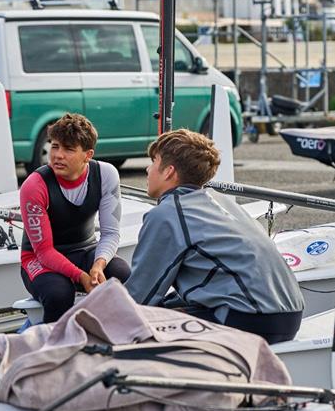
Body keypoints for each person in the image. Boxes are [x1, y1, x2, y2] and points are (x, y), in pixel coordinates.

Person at [125, 129, 305, 343]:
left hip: (250, 320)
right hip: (289, 315)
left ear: (168, 172)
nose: (148, 169)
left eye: (153, 162)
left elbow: (140, 296)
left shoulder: (168, 214)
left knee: (138, 325)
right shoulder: (219, 201)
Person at [20, 113, 131, 323]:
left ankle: (116, 341)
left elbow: (110, 233)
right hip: (39, 259)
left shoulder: (106, 174)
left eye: (68, 149)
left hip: (85, 251)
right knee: (59, 294)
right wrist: (81, 276)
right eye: (54, 146)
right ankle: (55, 349)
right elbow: (44, 251)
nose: (58, 155)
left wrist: (98, 266)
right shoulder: (34, 185)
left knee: (123, 276)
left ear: (88, 155)